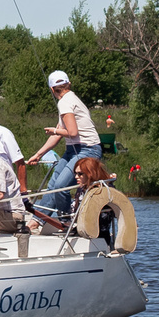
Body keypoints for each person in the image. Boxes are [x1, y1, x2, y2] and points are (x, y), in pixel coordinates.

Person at [26, 70, 103, 220]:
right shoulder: (71, 99)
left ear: (52, 89)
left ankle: (66, 222)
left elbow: (72, 132)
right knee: (53, 185)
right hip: (73, 150)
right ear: (69, 84)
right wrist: (38, 155)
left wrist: (55, 130)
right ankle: (37, 221)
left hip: (87, 150)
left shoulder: (65, 102)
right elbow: (59, 135)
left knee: (61, 187)